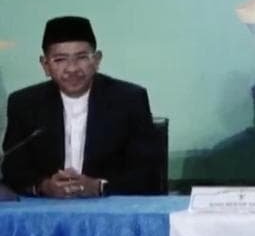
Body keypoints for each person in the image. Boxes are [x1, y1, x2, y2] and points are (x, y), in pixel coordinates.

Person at [2, 16, 162, 197]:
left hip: (108, 206)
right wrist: (44, 186)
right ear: (45, 65)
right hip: (46, 207)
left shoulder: (129, 100)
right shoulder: (24, 104)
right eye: (60, 60)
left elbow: (147, 171)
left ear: (97, 60)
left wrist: (98, 186)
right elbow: (13, 170)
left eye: (82, 58)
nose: (72, 69)